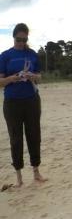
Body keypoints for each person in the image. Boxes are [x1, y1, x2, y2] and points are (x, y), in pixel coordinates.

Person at [1, 23, 46, 186]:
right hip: (12, 102)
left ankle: (36, 171)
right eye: (19, 39)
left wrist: (32, 75)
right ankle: (18, 175)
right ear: (13, 37)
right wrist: (13, 78)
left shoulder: (32, 54)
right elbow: (0, 82)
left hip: (31, 100)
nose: (21, 42)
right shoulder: (5, 55)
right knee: (15, 138)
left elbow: (40, 77)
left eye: (24, 39)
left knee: (34, 136)